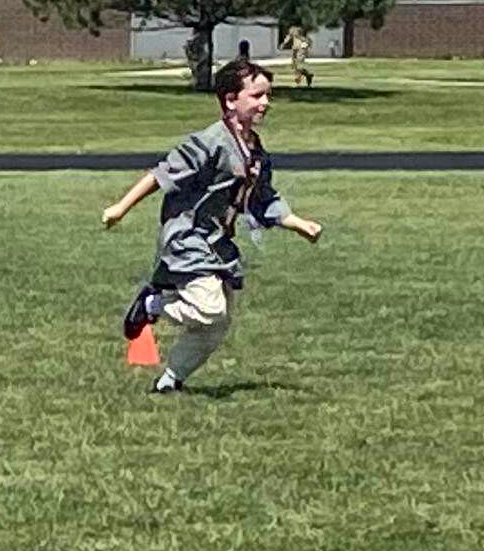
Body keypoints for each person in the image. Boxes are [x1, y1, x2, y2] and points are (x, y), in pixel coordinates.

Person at [102, 55, 323, 393]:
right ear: (230, 100)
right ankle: (151, 305)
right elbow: (161, 175)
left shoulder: (255, 150)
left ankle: (169, 383)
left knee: (216, 325)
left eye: (268, 96)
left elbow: (263, 198)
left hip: (219, 244)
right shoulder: (209, 142)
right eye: (257, 96)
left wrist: (298, 223)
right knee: (209, 310)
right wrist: (120, 207)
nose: (266, 103)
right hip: (188, 237)